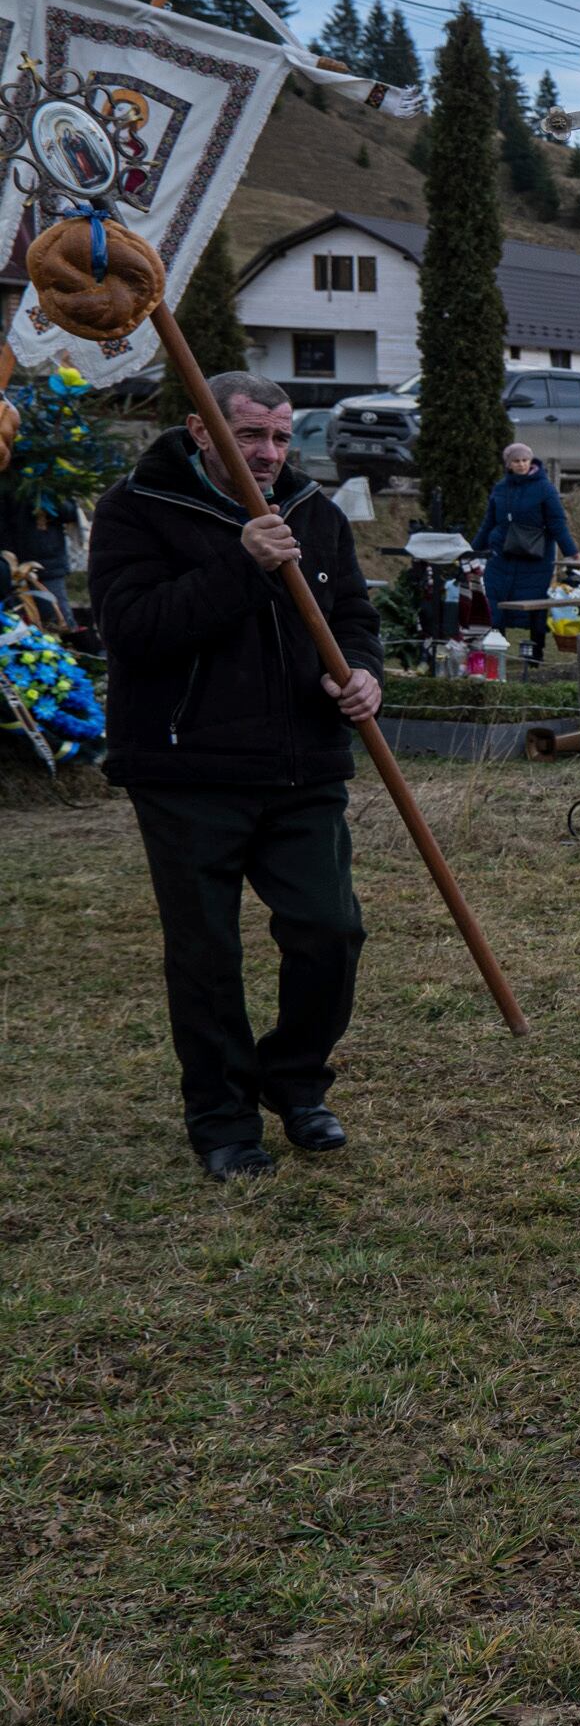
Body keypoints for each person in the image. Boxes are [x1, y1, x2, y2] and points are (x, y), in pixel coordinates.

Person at [89, 372, 384, 1177]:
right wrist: (238, 560)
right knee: (206, 950)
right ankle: (222, 1119)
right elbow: (132, 628)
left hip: (303, 766)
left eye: (282, 437)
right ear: (199, 428)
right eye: (250, 435)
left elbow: (354, 615)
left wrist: (362, 673)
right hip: (186, 769)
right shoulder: (138, 509)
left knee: (331, 930)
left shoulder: (314, 514)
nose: (268, 453)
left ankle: (293, 1080)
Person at [474, 439, 576, 662]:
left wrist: (571, 551)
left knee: (534, 607)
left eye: (525, 460)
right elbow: (489, 521)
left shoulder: (544, 488)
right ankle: (496, 650)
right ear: (508, 464)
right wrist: (473, 549)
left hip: (535, 557)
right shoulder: (500, 489)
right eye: (516, 461)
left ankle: (535, 653)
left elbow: (557, 522)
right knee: (494, 600)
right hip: (501, 555)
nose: (521, 465)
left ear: (531, 461)